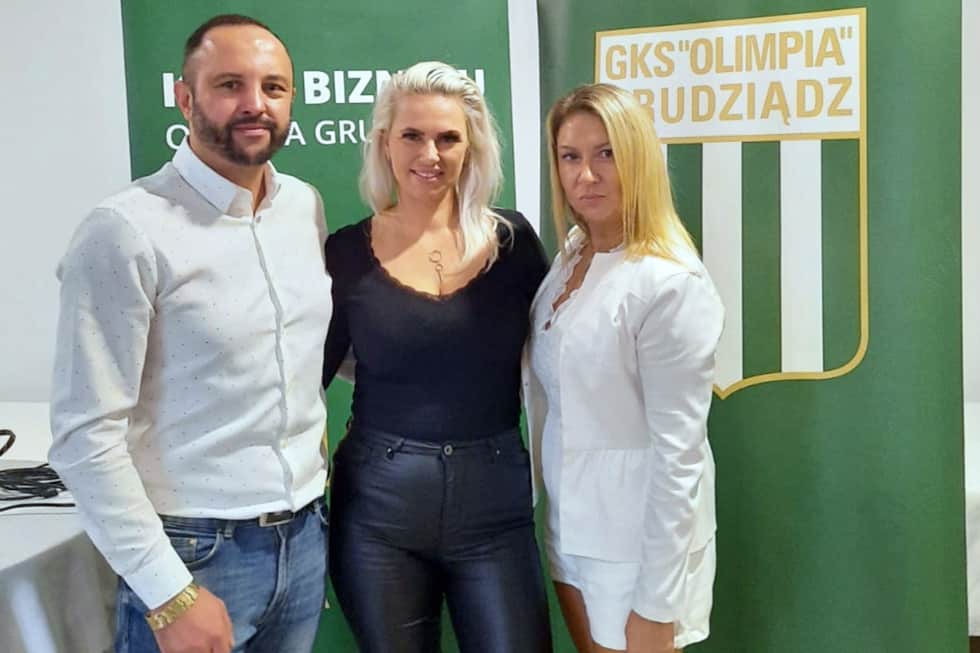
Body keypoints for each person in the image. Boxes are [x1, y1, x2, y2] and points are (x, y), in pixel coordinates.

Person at [48, 14, 332, 653]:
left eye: (274, 87)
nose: (255, 104)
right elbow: (83, 436)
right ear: (184, 97)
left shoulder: (302, 206)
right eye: (230, 84)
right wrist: (168, 590)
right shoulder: (124, 230)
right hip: (194, 554)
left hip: (305, 538)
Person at [322, 60, 552, 653]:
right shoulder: (344, 253)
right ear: (385, 143)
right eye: (412, 136)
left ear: (471, 147)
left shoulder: (514, 243)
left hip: (495, 508)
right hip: (377, 512)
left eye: (448, 138)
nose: (431, 154)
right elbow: (303, 382)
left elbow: (564, 355)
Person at [525, 83, 724, 653]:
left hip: (636, 553)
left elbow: (680, 455)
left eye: (606, 154)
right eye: (571, 156)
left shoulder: (669, 283)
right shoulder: (573, 253)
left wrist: (657, 601)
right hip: (569, 530)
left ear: (639, 159)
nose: (586, 175)